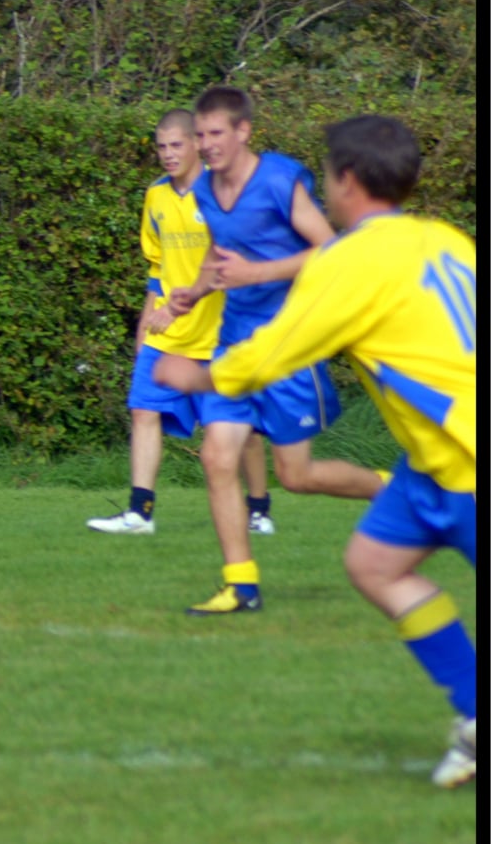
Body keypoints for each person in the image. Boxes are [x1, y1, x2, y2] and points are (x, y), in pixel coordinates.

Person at [156, 116, 475, 787]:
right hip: (433, 462)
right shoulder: (445, 239)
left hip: (468, 455)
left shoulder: (354, 257)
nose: (323, 188)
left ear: (348, 181)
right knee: (374, 562)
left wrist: (200, 375)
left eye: (326, 175)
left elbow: (284, 345)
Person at [162, 87, 382, 614]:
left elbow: (332, 252)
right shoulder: (206, 193)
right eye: (201, 135)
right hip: (234, 342)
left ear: (244, 132)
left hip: (288, 342)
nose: (207, 145)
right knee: (217, 456)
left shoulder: (281, 181)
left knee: (295, 476)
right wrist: (194, 292)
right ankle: (241, 585)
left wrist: (258, 273)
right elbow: (221, 255)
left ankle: (395, 488)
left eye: (217, 134)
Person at [87, 109, 274, 536]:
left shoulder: (224, 193)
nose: (168, 154)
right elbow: (157, 271)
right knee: (143, 410)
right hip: (167, 331)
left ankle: (259, 509)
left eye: (176, 145)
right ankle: (140, 513)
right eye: (161, 147)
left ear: (196, 145)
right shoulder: (155, 197)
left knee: (239, 429)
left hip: (222, 333)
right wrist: (145, 326)